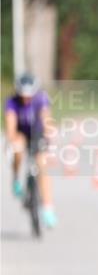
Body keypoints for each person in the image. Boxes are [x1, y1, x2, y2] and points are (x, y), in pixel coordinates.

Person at [5, 73, 57, 227]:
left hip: (37, 133)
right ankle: (16, 178)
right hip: (21, 133)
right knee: (18, 149)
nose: (26, 99)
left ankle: (48, 209)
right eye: (23, 95)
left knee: (42, 166)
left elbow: (46, 119)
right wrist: (12, 140)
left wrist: (49, 135)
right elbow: (11, 125)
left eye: (29, 96)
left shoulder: (41, 99)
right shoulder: (12, 102)